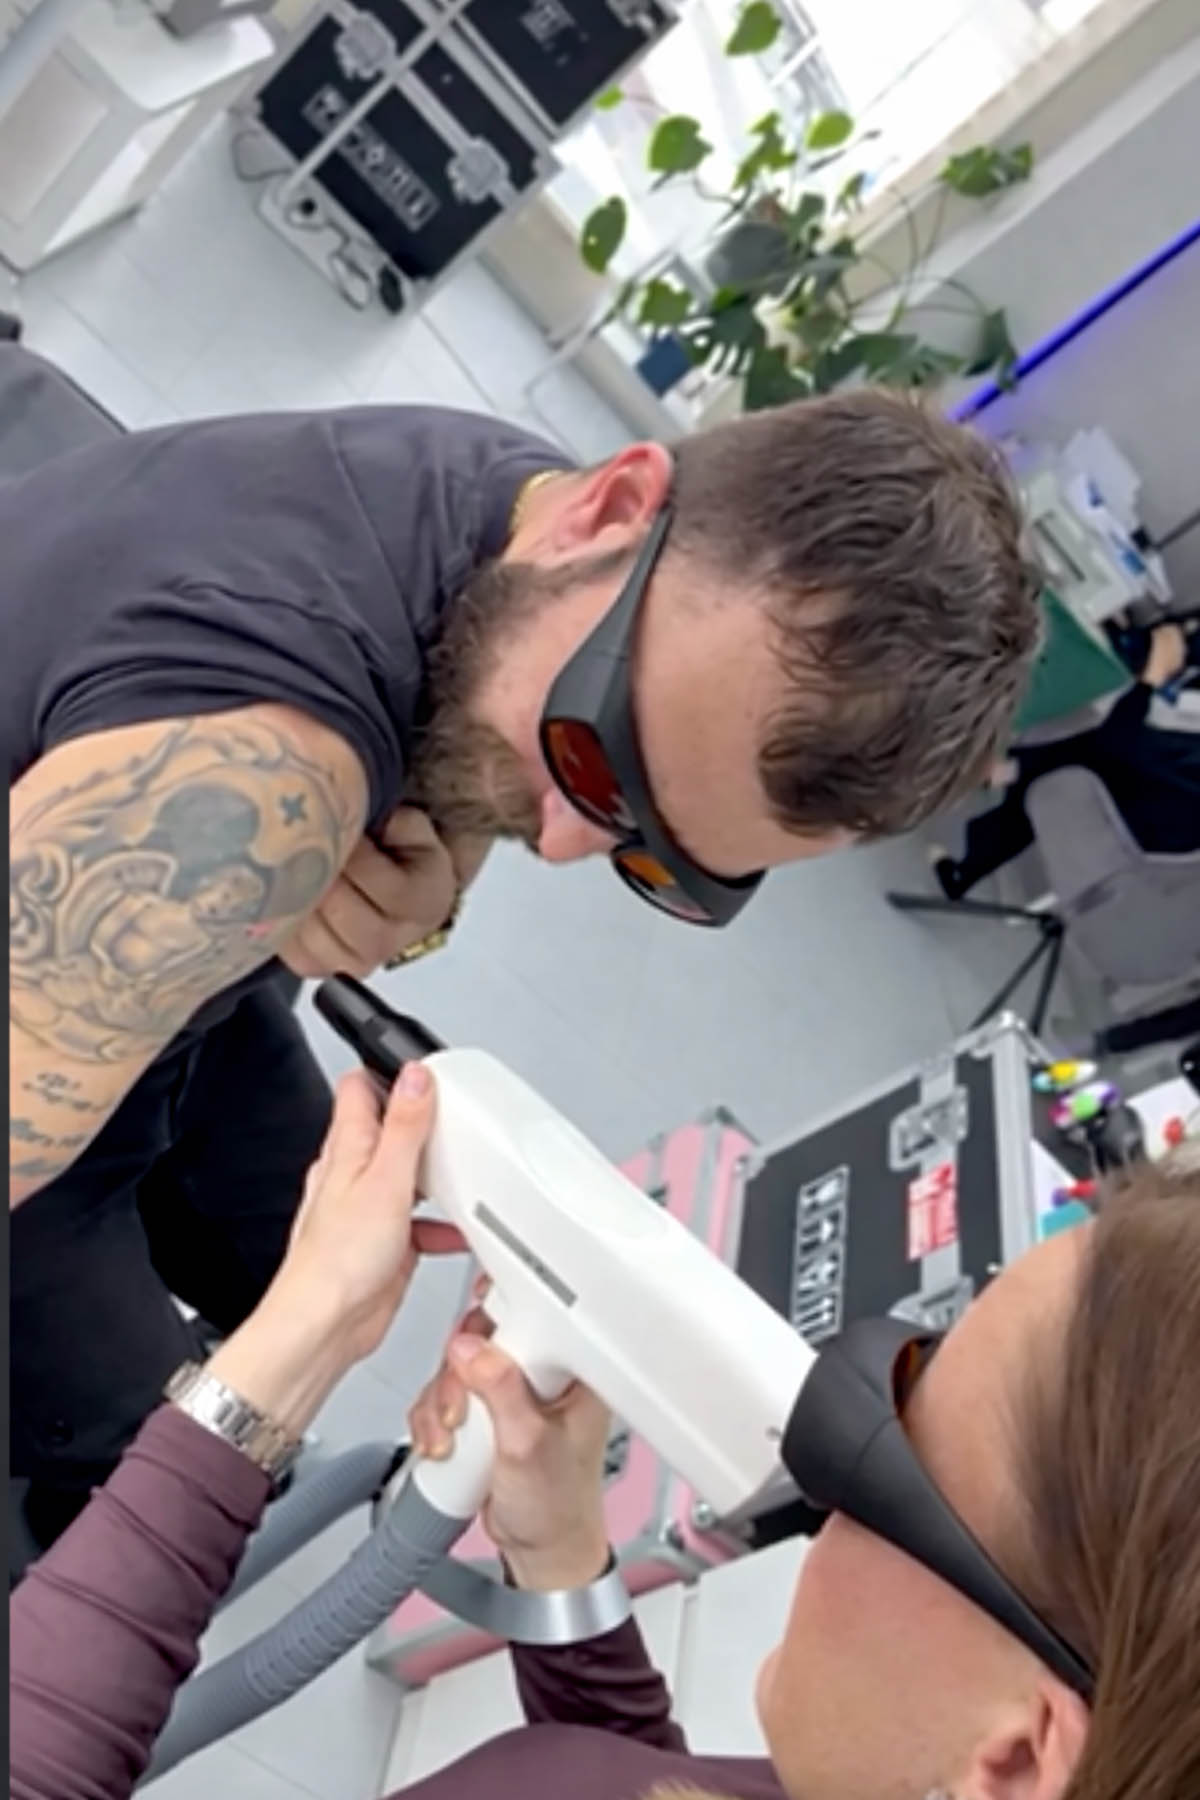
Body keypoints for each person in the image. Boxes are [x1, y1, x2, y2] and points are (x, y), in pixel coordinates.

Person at [6, 365, 1043, 1557]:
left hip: (173, 998)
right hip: (72, 1012)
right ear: (608, 509)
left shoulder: (515, 515)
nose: (555, 842)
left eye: (646, 851)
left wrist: (417, 899)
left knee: (291, 1245)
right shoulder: (267, 758)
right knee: (167, 1455)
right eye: (594, 758)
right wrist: (267, 1389)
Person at [11, 1064, 1200, 1800]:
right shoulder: (888, 1770)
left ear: (1017, 1760)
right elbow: (638, 1778)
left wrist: (289, 1350)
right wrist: (562, 1555)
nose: (824, 1510)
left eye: (878, 1462)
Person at [931, 619, 1200, 899]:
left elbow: (1119, 743)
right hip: (1144, 805)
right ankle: (997, 781)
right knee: (1097, 742)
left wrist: (1151, 679)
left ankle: (997, 770)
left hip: (1133, 838)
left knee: (1099, 745)